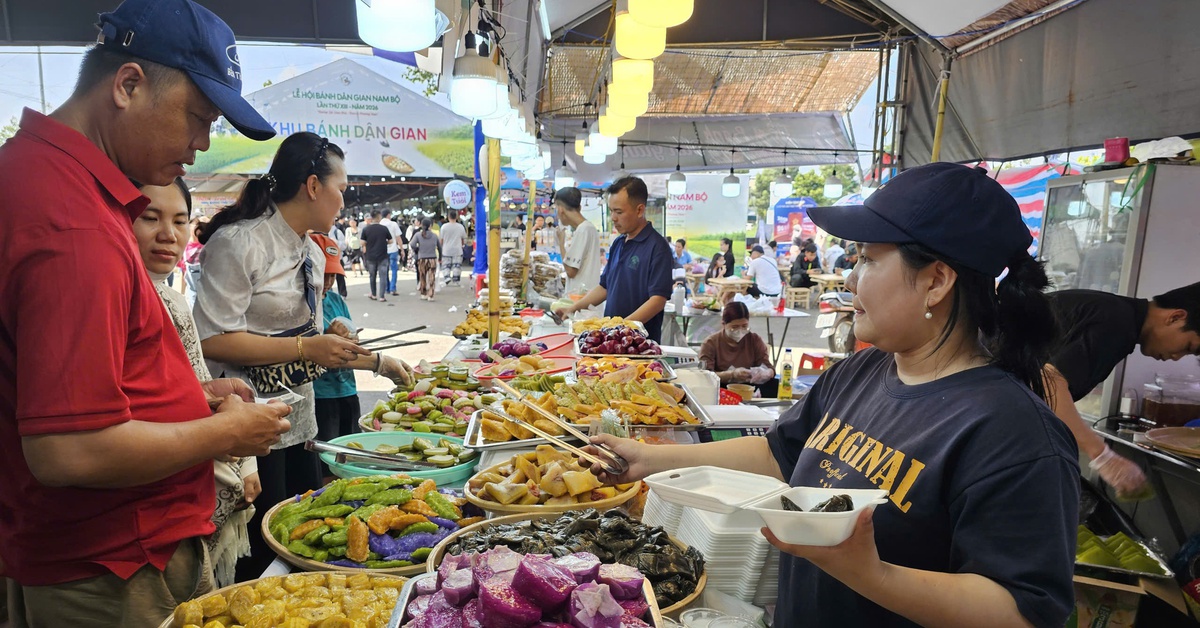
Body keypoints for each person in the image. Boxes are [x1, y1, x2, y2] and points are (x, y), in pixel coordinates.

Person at [586, 163, 1078, 627]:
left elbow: (1023, 612)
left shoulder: (1014, 435)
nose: (848, 277)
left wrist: (873, 575)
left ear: (936, 280)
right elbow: (780, 451)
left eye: (867, 259)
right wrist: (648, 459)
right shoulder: (863, 371)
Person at [0, 0, 292, 624]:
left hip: (93, 553)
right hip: (109, 567)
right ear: (128, 84)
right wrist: (226, 434)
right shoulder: (71, 219)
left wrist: (187, 396)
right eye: (197, 117)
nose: (200, 144)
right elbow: (66, 451)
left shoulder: (45, 178)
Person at [193, 132, 377, 580]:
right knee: (262, 555)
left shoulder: (311, 247)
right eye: (341, 188)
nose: (343, 201)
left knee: (306, 536)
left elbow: (304, 331)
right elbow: (212, 339)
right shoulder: (239, 243)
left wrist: (330, 336)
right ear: (313, 186)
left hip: (300, 414)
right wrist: (303, 345)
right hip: (251, 425)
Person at [133, 178, 260, 589]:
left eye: (180, 220)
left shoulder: (173, 300)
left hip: (200, 483)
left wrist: (245, 460)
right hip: (151, 518)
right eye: (150, 218)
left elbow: (195, 382)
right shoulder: (122, 301)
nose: (168, 234)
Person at [1043, 282, 1200, 498]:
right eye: (1187, 348)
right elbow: (1048, 384)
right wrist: (1103, 456)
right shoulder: (1118, 323)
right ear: (1175, 317)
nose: (1176, 357)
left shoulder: (1115, 313)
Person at [309, 233, 413, 479]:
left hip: (346, 391)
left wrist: (353, 343)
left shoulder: (335, 300)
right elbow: (313, 352)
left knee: (348, 457)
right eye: (322, 275)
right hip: (321, 397)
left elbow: (351, 344)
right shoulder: (305, 306)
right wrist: (328, 337)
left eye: (332, 275)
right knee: (325, 464)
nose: (327, 282)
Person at [555, 176, 674, 342]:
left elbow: (658, 300)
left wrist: (623, 328)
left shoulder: (657, 247)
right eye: (611, 211)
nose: (613, 218)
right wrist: (573, 308)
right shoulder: (619, 242)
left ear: (640, 210)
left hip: (638, 345)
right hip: (611, 341)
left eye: (618, 212)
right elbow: (605, 287)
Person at [699, 301, 777, 397]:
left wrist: (767, 373)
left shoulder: (754, 340)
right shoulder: (711, 343)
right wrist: (732, 375)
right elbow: (705, 376)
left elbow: (768, 366)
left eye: (744, 326)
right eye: (734, 327)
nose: (740, 331)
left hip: (749, 390)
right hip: (721, 390)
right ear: (723, 324)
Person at [555, 187, 602, 296]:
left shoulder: (583, 230)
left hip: (581, 303)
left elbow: (570, 271)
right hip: (585, 301)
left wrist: (561, 243)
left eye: (556, 207)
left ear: (561, 209)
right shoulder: (588, 228)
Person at [360, 210, 392, 302]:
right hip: (383, 255)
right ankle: (382, 296)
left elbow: (362, 242)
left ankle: (373, 294)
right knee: (383, 276)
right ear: (378, 217)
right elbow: (391, 241)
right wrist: (384, 241)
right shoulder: (384, 228)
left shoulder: (366, 229)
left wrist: (368, 242)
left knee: (372, 276)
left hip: (370, 256)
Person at [412, 217, 441, 301]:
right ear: (430, 226)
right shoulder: (434, 235)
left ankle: (423, 294)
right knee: (432, 277)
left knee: (422, 276)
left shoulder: (418, 235)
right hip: (432, 258)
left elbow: (412, 244)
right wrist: (440, 258)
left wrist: (417, 250)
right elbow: (439, 247)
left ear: (421, 225)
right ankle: (431, 295)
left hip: (422, 258)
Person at [439, 211, 468, 287]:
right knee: (456, 266)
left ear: (448, 217)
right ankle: (456, 280)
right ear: (457, 217)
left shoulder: (444, 227)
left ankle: (447, 277)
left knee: (446, 265)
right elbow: (463, 239)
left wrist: (440, 247)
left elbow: (441, 239)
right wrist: (462, 244)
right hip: (457, 249)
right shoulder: (460, 227)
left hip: (446, 249)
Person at [379, 211, 402, 296]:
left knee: (385, 270)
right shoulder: (393, 224)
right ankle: (393, 288)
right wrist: (402, 249)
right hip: (393, 250)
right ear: (388, 215)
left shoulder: (379, 224)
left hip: (383, 250)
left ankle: (387, 288)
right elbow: (398, 238)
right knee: (394, 269)